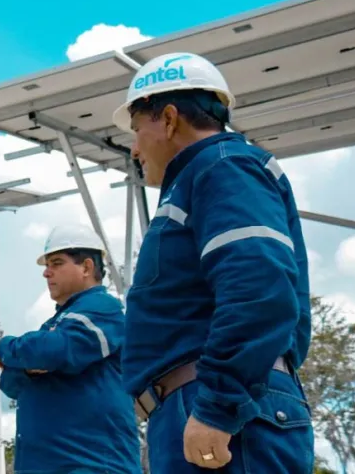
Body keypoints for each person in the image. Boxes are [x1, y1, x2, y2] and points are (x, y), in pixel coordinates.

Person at [112, 52, 313, 472]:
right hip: (211, 405)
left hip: (225, 409)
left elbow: (258, 287)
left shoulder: (222, 167)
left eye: (136, 130)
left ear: (168, 119)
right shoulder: (206, 176)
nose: (134, 148)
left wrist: (218, 407)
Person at [0, 224, 141, 474]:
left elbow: (53, 351)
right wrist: (30, 362)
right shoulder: (54, 324)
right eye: (47, 266)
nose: (47, 273)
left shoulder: (103, 308)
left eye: (57, 263)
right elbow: (10, 383)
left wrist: (5, 347)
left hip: (91, 465)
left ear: (87, 267)